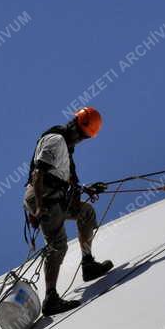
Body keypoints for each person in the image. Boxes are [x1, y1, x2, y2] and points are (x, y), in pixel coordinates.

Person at [24, 107, 115, 316]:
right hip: (44, 197)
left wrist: (87, 188)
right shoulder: (55, 141)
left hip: (54, 197)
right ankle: (50, 299)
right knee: (58, 245)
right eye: (82, 135)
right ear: (75, 126)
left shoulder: (66, 147)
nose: (81, 140)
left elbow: (66, 179)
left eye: (84, 138)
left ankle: (88, 264)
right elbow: (38, 174)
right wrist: (39, 207)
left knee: (86, 213)